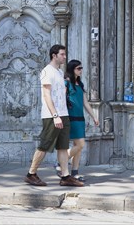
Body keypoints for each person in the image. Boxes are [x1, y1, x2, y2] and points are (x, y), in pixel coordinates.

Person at [24, 44, 83, 187]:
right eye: (62, 54)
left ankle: (65, 176)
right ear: (54, 55)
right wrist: (55, 115)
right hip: (51, 116)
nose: (65, 57)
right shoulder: (47, 71)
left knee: (63, 147)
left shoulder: (58, 72)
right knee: (44, 145)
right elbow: (46, 95)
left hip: (63, 114)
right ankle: (31, 174)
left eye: (64, 54)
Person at [56, 60, 100, 181]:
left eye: (81, 68)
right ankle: (60, 163)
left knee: (78, 146)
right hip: (71, 118)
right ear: (72, 69)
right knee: (80, 144)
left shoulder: (79, 84)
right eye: (78, 68)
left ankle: (75, 172)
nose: (81, 70)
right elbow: (61, 100)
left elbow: (85, 103)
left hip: (80, 118)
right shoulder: (66, 83)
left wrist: (94, 116)